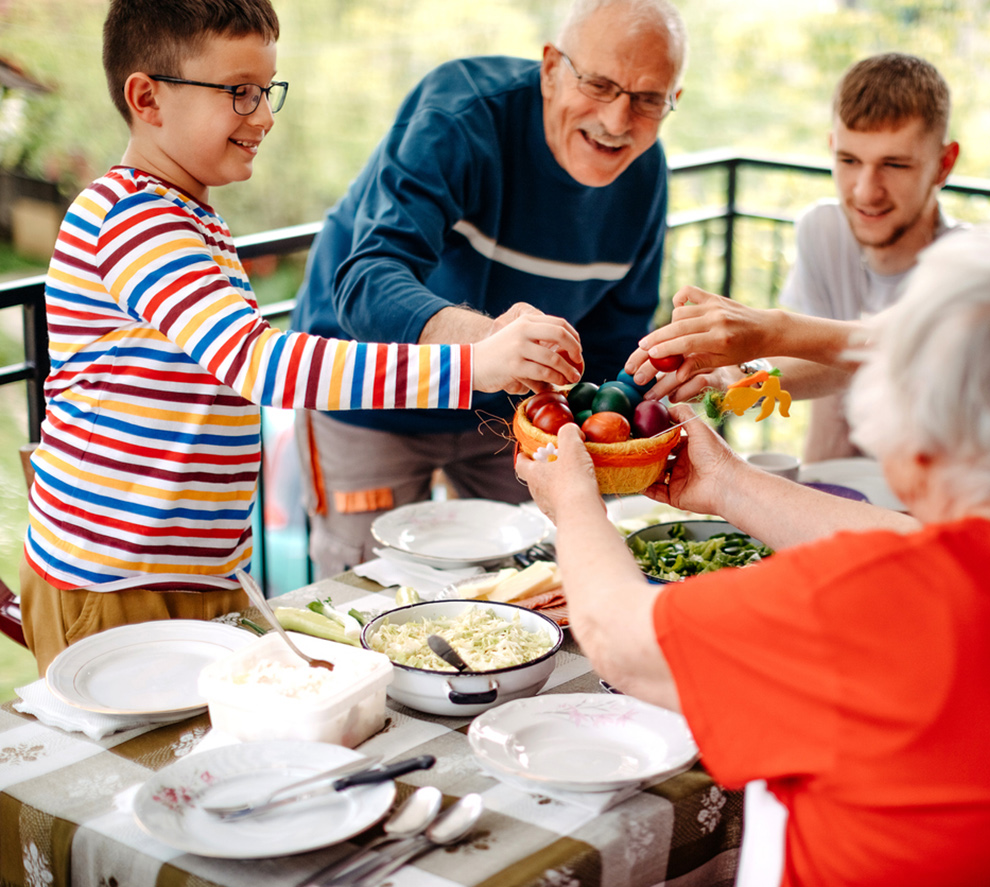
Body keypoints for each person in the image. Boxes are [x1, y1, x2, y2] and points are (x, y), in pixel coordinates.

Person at [519, 226, 990, 885]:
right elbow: (919, 549)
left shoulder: (861, 607)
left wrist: (571, 497)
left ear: (914, 437)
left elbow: (620, 637)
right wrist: (730, 485)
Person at [20, 0, 583, 675]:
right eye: (239, 93)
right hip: (115, 583)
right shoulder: (132, 219)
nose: (263, 116)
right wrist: (469, 363)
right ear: (147, 98)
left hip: (195, 574)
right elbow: (257, 362)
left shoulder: (187, 218)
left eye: (265, 90)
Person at [289, 0, 687, 577]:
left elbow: (613, 339)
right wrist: (488, 341)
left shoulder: (645, 176)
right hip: (370, 392)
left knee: (541, 569)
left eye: (649, 99)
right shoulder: (459, 114)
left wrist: (647, 402)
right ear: (551, 68)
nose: (619, 120)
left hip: (515, 411)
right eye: (599, 84)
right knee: (367, 580)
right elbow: (365, 281)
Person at [630, 53, 960, 461]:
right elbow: (837, 375)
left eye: (894, 164)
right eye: (849, 160)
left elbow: (910, 346)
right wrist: (739, 378)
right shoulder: (824, 230)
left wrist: (771, 330)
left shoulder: (974, 266)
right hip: (847, 490)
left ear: (944, 165)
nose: (865, 191)